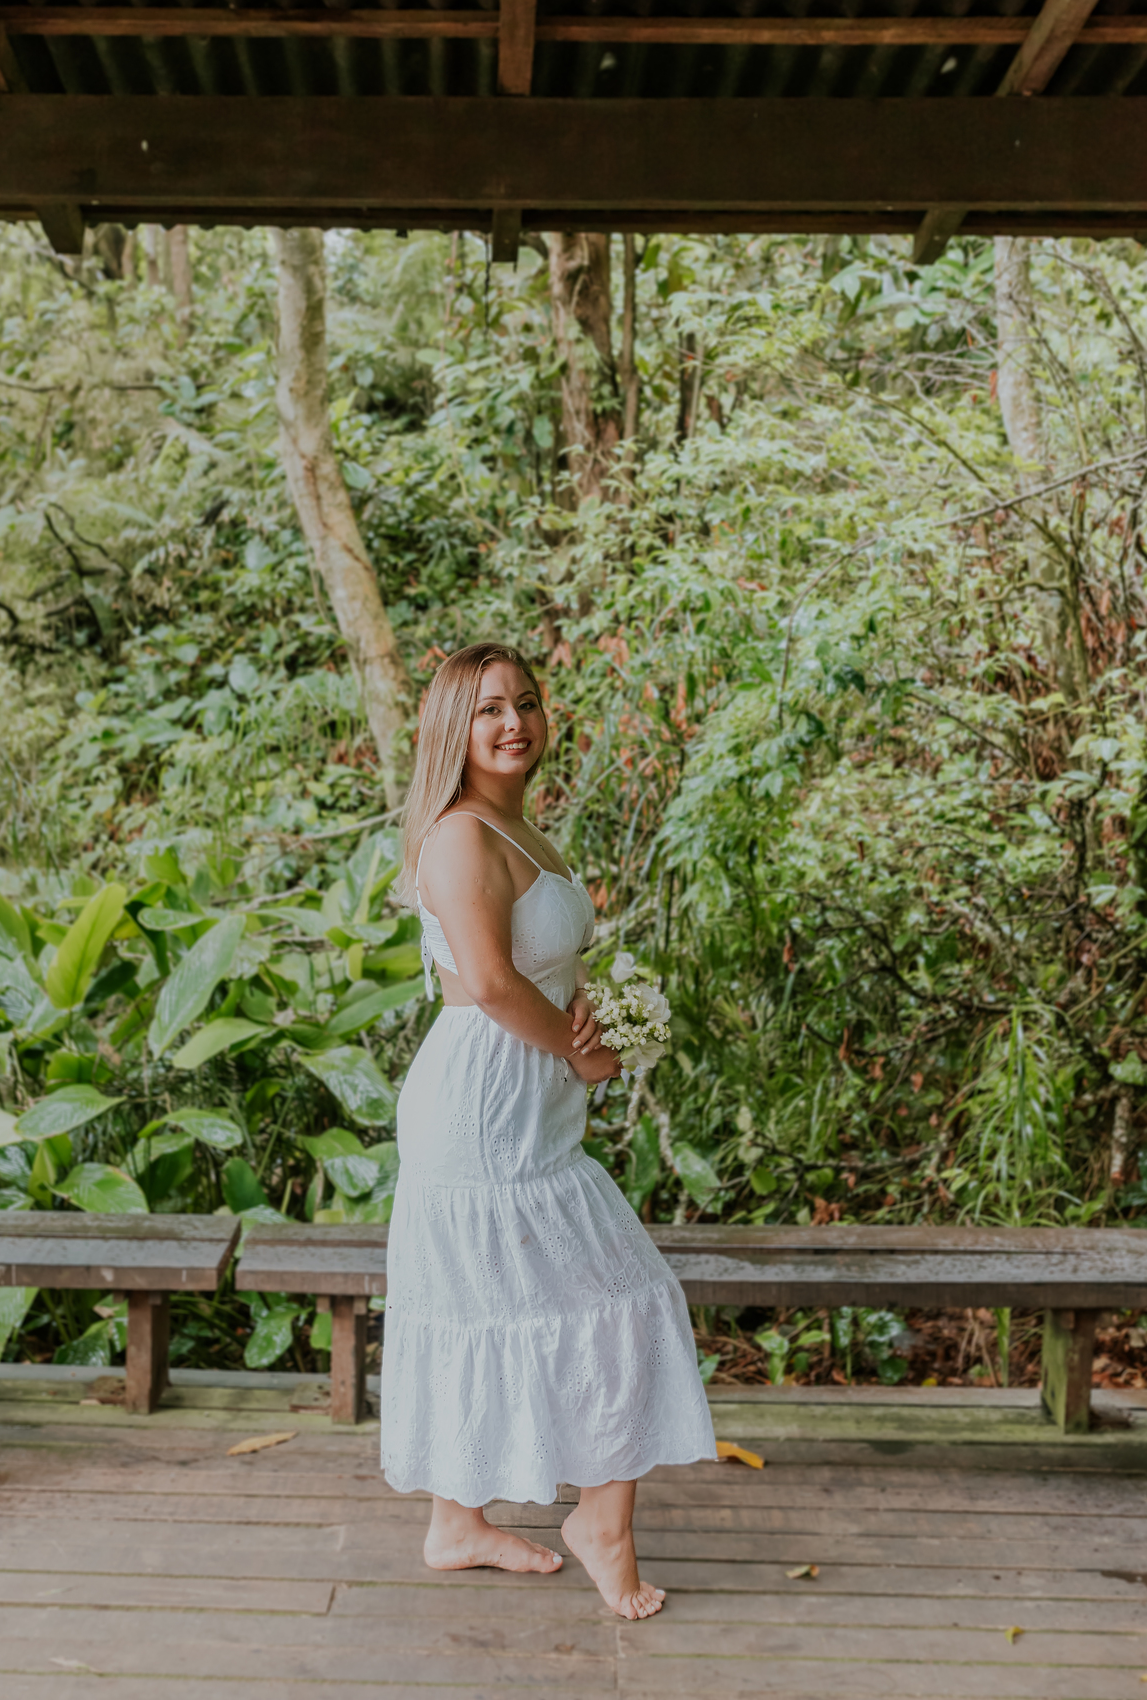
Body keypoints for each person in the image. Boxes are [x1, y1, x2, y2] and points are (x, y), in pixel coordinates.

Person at [380, 641, 715, 1620]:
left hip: (532, 1103)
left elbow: (549, 970)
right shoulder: (458, 838)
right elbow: (488, 982)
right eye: (488, 709)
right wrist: (577, 1055)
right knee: (629, 1293)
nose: (514, 721)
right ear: (454, 727)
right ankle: (599, 1518)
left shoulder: (523, 829)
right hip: (483, 1110)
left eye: (527, 702)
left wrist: (605, 1025)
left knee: (492, 1299)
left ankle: (457, 1520)